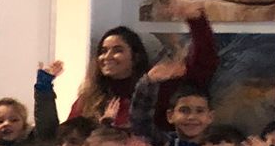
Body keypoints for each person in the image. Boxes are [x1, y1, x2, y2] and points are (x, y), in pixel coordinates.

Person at [71, 17, 216, 130]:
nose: (107, 57)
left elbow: (204, 66)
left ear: (136, 56)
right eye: (103, 51)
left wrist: (196, 18)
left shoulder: (156, 89)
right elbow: (70, 136)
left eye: (117, 50)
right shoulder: (89, 98)